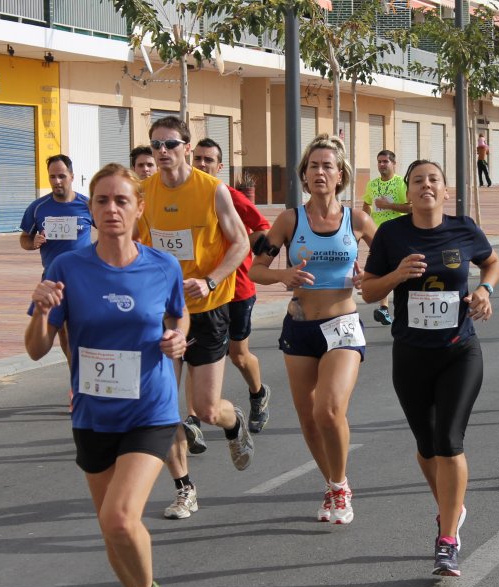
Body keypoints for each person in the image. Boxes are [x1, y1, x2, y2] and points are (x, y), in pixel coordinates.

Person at [25, 163, 187, 587]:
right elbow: (35, 349)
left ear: (139, 208)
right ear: (90, 210)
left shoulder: (163, 266)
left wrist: (178, 338)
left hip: (151, 409)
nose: (112, 209)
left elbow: (178, 316)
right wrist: (41, 310)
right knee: (111, 530)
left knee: (119, 518)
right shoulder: (66, 268)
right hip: (93, 413)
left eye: (122, 200)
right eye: (102, 200)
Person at [361, 159, 499, 577]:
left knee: (449, 441)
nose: (426, 185)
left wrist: (485, 289)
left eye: (433, 179)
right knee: (426, 446)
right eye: (418, 180)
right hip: (411, 354)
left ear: (445, 190)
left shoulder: (464, 228)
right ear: (407, 193)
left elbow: (492, 262)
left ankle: (447, 539)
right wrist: (397, 275)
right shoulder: (392, 234)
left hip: (459, 351)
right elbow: (368, 291)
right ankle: (450, 507)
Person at [249, 134, 376, 525]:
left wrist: (370, 277)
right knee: (308, 418)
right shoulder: (290, 220)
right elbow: (256, 269)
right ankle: (333, 482)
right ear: (304, 175)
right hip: (300, 326)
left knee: (329, 409)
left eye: (327, 166)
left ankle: (339, 486)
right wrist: (283, 275)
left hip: (343, 325)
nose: (320, 172)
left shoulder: (357, 220)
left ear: (341, 175)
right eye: (313, 166)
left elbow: (389, 259)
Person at [134, 116, 253, 521]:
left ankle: (233, 421)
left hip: (207, 309)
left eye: (170, 144)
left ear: (186, 147)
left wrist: (210, 279)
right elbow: (133, 245)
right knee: (164, 406)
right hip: (163, 313)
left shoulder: (212, 190)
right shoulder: (144, 193)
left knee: (205, 409)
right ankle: (184, 488)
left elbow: (241, 243)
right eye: (155, 145)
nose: (162, 151)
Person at [189, 138, 272, 446]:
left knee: (238, 355)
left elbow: (262, 227)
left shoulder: (228, 195)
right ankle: (192, 421)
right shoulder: (187, 196)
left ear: (220, 166)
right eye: (198, 158)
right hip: (201, 293)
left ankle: (258, 393)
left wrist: (236, 249)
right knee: (194, 356)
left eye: (208, 160)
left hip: (237, 289)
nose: (202, 164)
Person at [18, 154, 94, 368]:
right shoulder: (38, 207)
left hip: (83, 279)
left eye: (62, 176)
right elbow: (24, 239)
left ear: (72, 176)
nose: (57, 181)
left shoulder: (87, 205)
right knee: (63, 332)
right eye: (52, 177)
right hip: (53, 279)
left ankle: (81, 374)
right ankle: (75, 377)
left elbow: (108, 232)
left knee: (80, 329)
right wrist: (33, 242)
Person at [362, 149, 409, 325]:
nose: (382, 165)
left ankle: (401, 307)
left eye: (385, 161)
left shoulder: (401, 184)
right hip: (378, 234)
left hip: (399, 234)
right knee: (382, 270)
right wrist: (362, 225)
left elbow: (411, 207)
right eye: (379, 161)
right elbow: (366, 205)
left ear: (393, 164)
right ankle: (384, 308)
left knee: (399, 272)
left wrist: (388, 205)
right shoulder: (372, 185)